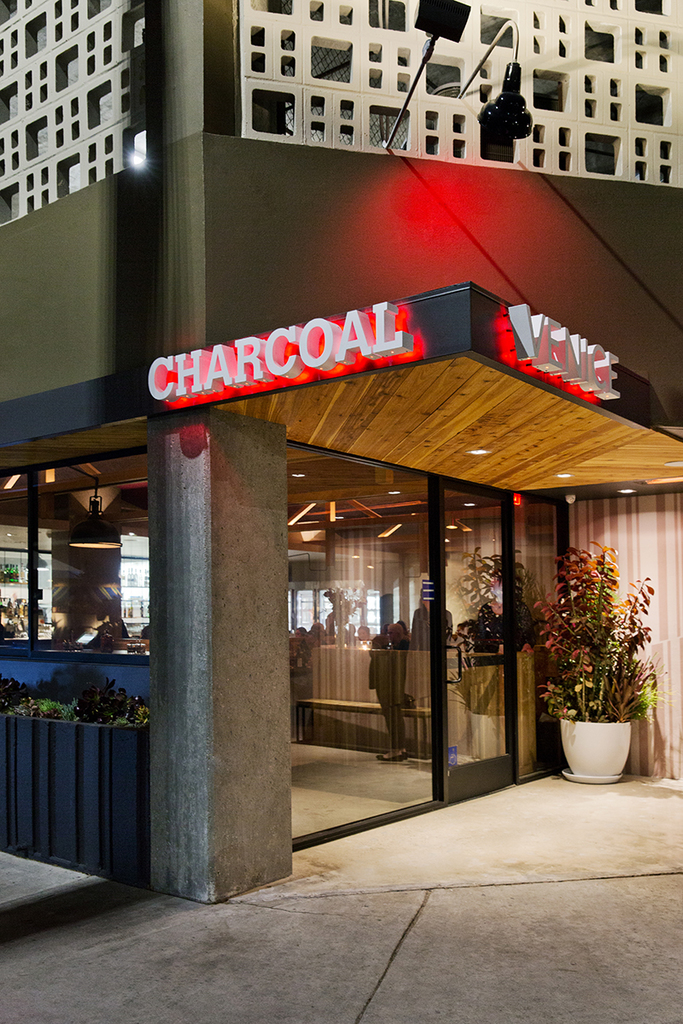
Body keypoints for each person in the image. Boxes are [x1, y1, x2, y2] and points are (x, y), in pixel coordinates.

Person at [370, 622, 410, 761]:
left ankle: (397, 749)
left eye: (390, 633)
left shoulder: (402, 646)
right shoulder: (396, 646)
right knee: (394, 717)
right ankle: (399, 748)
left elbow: (383, 660)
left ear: (398, 633)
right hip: (392, 684)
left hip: (390, 684)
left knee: (393, 717)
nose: (388, 636)